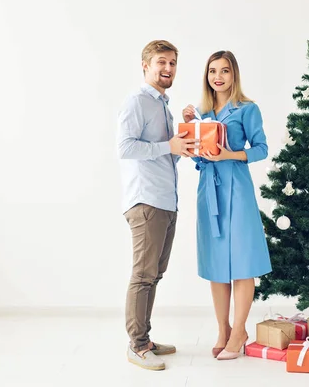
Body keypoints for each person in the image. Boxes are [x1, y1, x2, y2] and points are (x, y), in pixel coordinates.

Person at [182, 50, 272, 360]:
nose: (217, 77)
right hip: (209, 190)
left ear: (234, 75)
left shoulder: (247, 109)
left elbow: (261, 149)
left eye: (224, 71)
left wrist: (229, 154)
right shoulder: (203, 113)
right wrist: (189, 130)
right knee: (217, 263)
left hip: (238, 189)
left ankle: (239, 330)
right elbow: (198, 155)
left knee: (242, 261)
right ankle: (223, 329)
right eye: (212, 71)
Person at [117, 40, 199, 371]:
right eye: (161, 62)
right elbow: (125, 148)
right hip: (146, 201)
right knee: (143, 274)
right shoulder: (137, 101)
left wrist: (182, 139)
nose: (168, 69)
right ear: (145, 65)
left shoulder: (164, 105)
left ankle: (145, 340)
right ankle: (136, 346)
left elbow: (165, 154)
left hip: (166, 201)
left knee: (155, 274)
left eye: (173, 63)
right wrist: (169, 145)